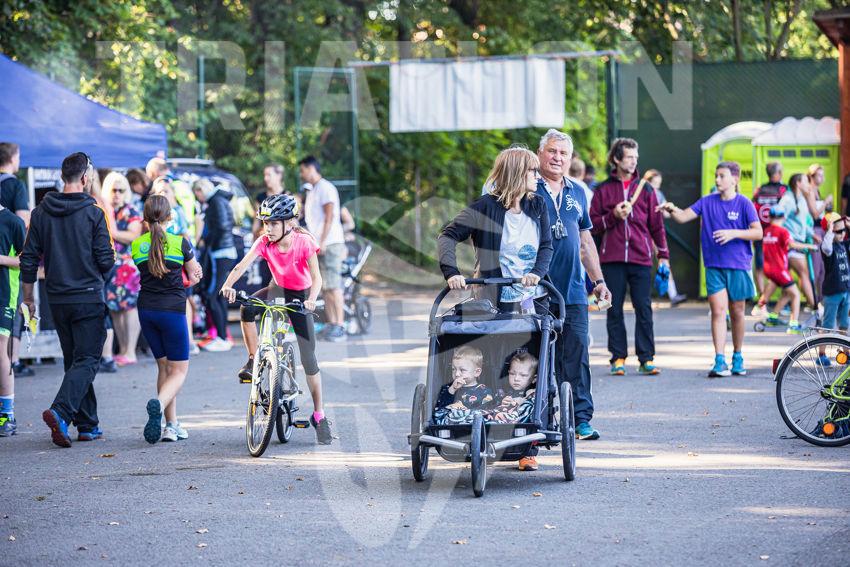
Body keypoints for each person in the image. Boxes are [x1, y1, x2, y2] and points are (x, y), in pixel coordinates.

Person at [220, 194, 334, 444]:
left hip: (301, 295)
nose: (268, 228)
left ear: (289, 223)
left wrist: (311, 299)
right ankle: (254, 360)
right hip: (277, 289)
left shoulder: (304, 242)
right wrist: (228, 285)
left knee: (309, 359)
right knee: (247, 308)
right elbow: (241, 266)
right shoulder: (264, 242)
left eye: (273, 223)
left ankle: (319, 414)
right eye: (265, 223)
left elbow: (317, 278)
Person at [21, 152, 115, 447]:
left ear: (63, 177)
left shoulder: (40, 213)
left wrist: (29, 300)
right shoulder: (94, 213)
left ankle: (88, 425)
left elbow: (28, 260)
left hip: (57, 299)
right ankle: (61, 412)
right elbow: (106, 260)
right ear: (86, 178)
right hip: (87, 296)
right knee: (87, 359)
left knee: (75, 360)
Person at [535, 129, 610, 444]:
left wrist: (599, 281)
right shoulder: (526, 188)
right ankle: (536, 425)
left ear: (570, 158)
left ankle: (581, 420)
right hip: (535, 291)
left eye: (563, 153)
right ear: (540, 154)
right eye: (552, 151)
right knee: (534, 358)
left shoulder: (578, 192)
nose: (557, 158)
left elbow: (585, 240)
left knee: (577, 353)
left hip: (574, 290)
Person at [658, 161, 762, 377]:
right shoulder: (707, 201)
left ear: (734, 179)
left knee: (737, 312)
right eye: (716, 175)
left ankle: (738, 356)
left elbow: (758, 232)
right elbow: (683, 216)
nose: (717, 179)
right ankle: (719, 360)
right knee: (718, 312)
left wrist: (733, 233)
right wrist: (672, 208)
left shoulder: (744, 203)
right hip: (714, 265)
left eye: (722, 176)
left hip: (738, 265)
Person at [590, 137, 669, 376]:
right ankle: (618, 358)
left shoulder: (646, 189)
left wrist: (663, 255)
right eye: (629, 157)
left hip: (641, 257)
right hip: (611, 259)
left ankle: (646, 358)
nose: (634, 162)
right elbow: (592, 226)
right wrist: (613, 215)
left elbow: (657, 226)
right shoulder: (602, 189)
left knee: (643, 307)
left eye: (636, 157)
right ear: (616, 159)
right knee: (613, 308)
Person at [438, 146, 551, 312]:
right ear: (517, 172)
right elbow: (447, 236)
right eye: (534, 171)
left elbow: (546, 245)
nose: (538, 176)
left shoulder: (538, 204)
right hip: (495, 302)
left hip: (535, 298)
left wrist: (537, 272)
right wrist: (452, 273)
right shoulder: (484, 207)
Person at [132, 195, 203, 443]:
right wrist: (193, 277)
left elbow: (152, 268)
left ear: (144, 217)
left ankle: (171, 426)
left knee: (164, 367)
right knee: (179, 371)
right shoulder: (180, 242)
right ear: (170, 216)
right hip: (172, 311)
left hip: (146, 310)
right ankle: (159, 405)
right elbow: (194, 276)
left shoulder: (137, 245)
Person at [299, 156, 347, 342]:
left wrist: (323, 241)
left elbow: (330, 216)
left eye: (303, 170)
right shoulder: (312, 190)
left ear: (311, 168)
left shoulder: (326, 188)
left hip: (330, 242)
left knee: (334, 285)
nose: (302, 174)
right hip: (317, 244)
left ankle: (340, 324)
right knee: (324, 286)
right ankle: (332, 323)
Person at [0, 142, 34, 379]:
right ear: (13, 158)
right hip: (10, 258)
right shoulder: (16, 185)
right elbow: (23, 221)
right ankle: (14, 361)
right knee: (14, 308)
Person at [753, 206, 815, 334]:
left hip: (769, 269)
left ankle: (773, 316)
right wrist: (809, 246)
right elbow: (792, 244)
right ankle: (793, 325)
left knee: (787, 292)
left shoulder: (767, 231)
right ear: (784, 217)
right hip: (779, 270)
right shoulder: (783, 231)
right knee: (795, 294)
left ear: (770, 217)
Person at [102, 172, 142, 366]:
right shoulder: (106, 210)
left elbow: (134, 236)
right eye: (113, 190)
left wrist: (114, 232)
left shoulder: (131, 211)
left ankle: (131, 351)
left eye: (121, 190)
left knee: (130, 308)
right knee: (115, 310)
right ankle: (123, 349)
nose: (117, 194)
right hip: (110, 267)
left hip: (127, 267)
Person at [193, 178, 236, 352]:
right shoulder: (219, 200)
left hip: (220, 253)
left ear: (200, 190)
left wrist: (208, 241)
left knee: (212, 295)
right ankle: (222, 336)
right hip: (223, 252)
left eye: (197, 194)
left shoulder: (216, 201)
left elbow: (222, 226)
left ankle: (222, 337)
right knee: (218, 296)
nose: (198, 198)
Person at [0, 202, 25, 436]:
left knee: (0, 350)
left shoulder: (12, 222)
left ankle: (6, 414)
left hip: (3, 295)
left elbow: (26, 259)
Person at [647, 169, 687, 306]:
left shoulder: (659, 194)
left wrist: (667, 208)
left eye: (659, 184)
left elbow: (667, 215)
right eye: (654, 183)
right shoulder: (642, 193)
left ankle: (673, 294)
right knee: (642, 264)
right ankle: (642, 295)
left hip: (657, 234)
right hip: (643, 234)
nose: (656, 187)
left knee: (664, 263)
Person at [779, 173, 817, 309]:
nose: (809, 185)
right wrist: (786, 238)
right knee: (803, 273)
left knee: (786, 282)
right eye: (806, 181)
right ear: (798, 183)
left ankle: (771, 311)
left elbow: (803, 223)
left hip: (798, 243)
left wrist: (813, 235)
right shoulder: (787, 200)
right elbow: (778, 221)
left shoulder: (801, 200)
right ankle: (815, 307)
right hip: (791, 244)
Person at [817, 212, 850, 366]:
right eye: (838, 231)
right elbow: (826, 246)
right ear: (830, 231)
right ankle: (821, 354)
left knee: (844, 324)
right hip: (832, 293)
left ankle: (846, 353)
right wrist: (830, 232)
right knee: (828, 325)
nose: (842, 234)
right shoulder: (828, 248)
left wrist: (848, 227)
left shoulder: (844, 245)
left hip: (846, 291)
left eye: (844, 230)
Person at [752, 162, 788, 295]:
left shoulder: (760, 190)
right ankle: (779, 298)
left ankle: (763, 298)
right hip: (778, 234)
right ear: (779, 173)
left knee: (760, 266)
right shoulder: (784, 190)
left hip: (760, 233)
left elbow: (752, 209)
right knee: (782, 266)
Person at [433, 346, 494, 425]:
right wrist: (452, 390)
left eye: (462, 370)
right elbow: (440, 407)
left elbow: (486, 410)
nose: (457, 374)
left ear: (477, 372)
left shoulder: (484, 391)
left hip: (474, 425)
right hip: (450, 426)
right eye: (453, 369)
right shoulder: (448, 388)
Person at [253, 163, 288, 286]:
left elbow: (293, 223)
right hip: (267, 246)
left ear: (279, 176)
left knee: (283, 285)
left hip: (283, 249)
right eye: (265, 175)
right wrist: (255, 244)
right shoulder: (260, 197)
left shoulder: (288, 196)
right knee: (265, 283)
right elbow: (256, 222)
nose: (266, 178)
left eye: (269, 175)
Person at [485, 351, 537, 425]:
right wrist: (502, 403)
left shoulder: (533, 395)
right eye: (512, 374)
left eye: (523, 375)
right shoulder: (503, 393)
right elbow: (492, 408)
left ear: (534, 379)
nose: (516, 378)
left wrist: (520, 402)